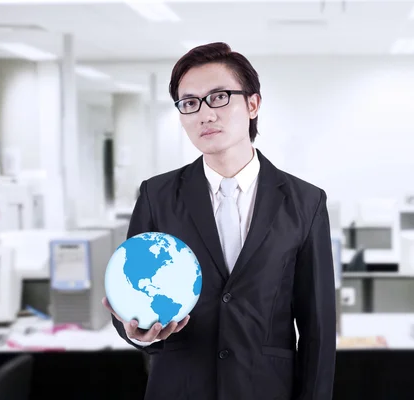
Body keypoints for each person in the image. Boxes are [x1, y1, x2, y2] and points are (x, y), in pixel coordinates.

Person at [102, 42, 337, 400]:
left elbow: (317, 328)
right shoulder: (157, 195)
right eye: (190, 103)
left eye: (219, 97)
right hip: (179, 389)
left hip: (267, 390)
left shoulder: (305, 202)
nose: (204, 114)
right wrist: (136, 332)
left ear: (253, 104)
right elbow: (132, 299)